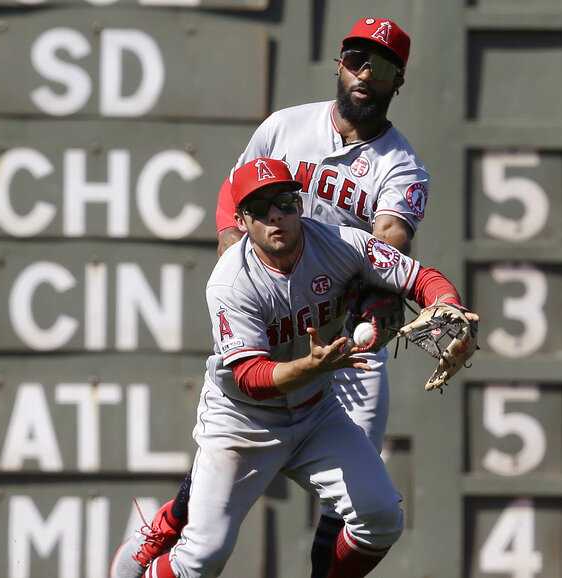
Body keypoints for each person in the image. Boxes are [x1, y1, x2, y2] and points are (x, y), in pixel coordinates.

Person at [112, 16, 431, 578]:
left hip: (343, 343)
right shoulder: (286, 127)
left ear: (397, 80)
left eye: (380, 66)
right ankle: (174, 521)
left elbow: (389, 243)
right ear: (338, 64)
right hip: (274, 317)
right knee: (232, 451)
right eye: (356, 59)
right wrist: (235, 261)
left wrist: (404, 293)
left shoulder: (400, 165)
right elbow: (234, 195)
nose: (364, 74)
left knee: (362, 507)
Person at [111, 158, 475, 578]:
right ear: (242, 220)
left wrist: (447, 302)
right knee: (202, 558)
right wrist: (310, 366)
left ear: (299, 204)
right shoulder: (231, 282)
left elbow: (418, 276)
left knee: (381, 519)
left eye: (284, 202)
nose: (275, 216)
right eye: (260, 209)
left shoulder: (341, 244)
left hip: (316, 414)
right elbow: (252, 378)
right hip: (242, 423)